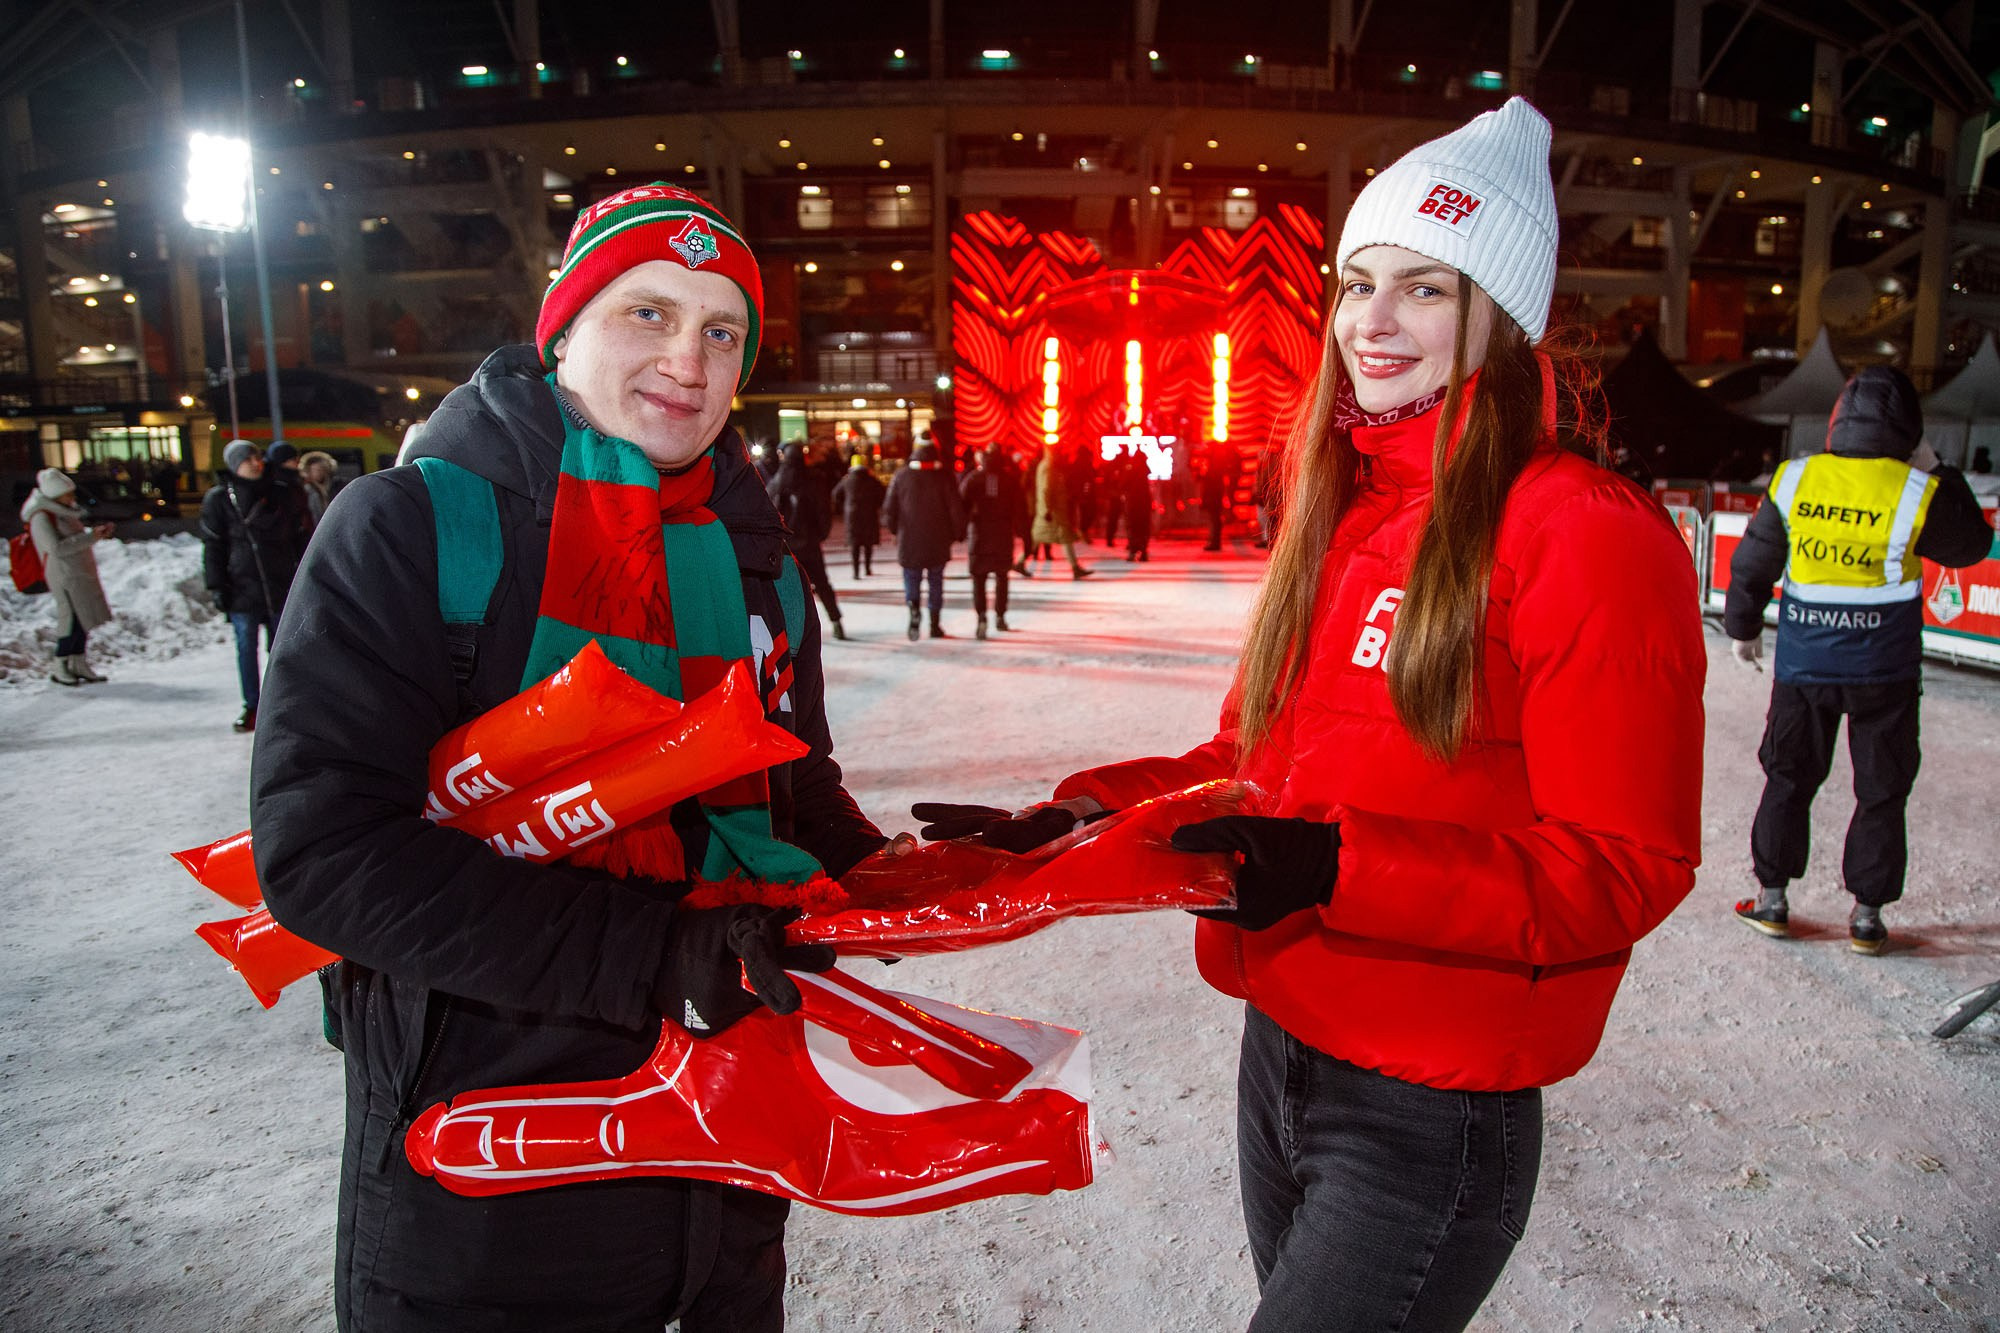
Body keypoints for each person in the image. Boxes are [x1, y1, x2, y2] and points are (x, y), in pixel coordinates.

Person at [914, 99, 1705, 1332]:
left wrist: (1336, 867)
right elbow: (1243, 765)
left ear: (1498, 317)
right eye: (1354, 283)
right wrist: (1072, 821)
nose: (1370, 323)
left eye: (1424, 289)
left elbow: (1620, 866)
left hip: (1428, 1100)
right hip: (1278, 1048)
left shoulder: (1583, 534)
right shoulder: (1341, 513)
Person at [249, 183, 885, 1332]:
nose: (687, 360)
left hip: (722, 1171)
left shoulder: (754, 561)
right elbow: (324, 852)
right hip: (490, 1186)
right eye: (646, 313)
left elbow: (795, 786)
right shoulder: (412, 526)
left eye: (719, 330)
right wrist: (650, 953)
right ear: (564, 328)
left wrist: (925, 872)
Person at [1724, 366, 1992, 953]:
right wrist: (1934, 464)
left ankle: (1772, 899)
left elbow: (1752, 564)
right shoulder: (1915, 490)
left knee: (1789, 779)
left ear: (1837, 423)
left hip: (1805, 668)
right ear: (1909, 432)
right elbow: (1972, 545)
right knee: (1882, 790)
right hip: (1884, 673)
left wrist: (1743, 629)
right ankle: (1867, 916)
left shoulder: (1798, 479)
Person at [200, 440, 302, 732]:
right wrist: (217, 585)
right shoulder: (219, 499)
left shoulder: (280, 493)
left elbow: (299, 536)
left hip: (279, 583)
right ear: (235, 465)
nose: (255, 463)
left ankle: (284, 704)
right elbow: (213, 545)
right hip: (241, 585)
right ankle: (253, 707)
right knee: (246, 647)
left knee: (283, 649)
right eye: (247, 459)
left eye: (257, 456)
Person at [20, 467, 115, 686]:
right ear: (54, 494)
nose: (72, 497)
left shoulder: (63, 512)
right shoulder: (41, 517)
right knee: (70, 620)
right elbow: (56, 549)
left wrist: (93, 535)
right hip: (63, 575)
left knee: (83, 619)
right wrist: (90, 538)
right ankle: (60, 664)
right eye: (68, 493)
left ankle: (78, 662)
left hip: (78, 573)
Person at [880, 438, 966, 640]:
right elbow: (955, 508)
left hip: (909, 538)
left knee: (912, 577)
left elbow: (889, 509)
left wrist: (895, 531)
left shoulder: (901, 476)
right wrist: (957, 533)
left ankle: (913, 608)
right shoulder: (944, 476)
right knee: (936, 581)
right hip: (938, 539)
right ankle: (935, 624)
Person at [767, 440, 845, 640]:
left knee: (787, 588)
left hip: (786, 546)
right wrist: (820, 535)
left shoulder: (777, 482)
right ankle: (836, 621)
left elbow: (769, 514)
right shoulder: (813, 482)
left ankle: (791, 632)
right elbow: (823, 513)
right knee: (822, 583)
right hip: (809, 544)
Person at [961, 444, 1027, 638]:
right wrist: (1025, 535)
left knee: (979, 579)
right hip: (1002, 535)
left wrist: (958, 531)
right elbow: (1020, 510)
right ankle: (1000, 616)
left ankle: (981, 617)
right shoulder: (1010, 480)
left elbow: (961, 505)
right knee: (1002, 578)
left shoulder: (973, 478)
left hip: (979, 536)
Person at [1030, 443, 1090, 579]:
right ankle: (1075, 568)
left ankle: (1075, 568)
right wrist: (1047, 510)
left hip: (1051, 511)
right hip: (1052, 512)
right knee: (1062, 537)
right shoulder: (1048, 467)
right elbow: (1046, 490)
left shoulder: (1047, 466)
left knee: (1040, 538)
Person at [830, 452, 884, 578]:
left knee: (855, 544)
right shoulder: (872, 480)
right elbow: (882, 494)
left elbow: (835, 494)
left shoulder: (847, 480)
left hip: (852, 515)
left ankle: (855, 572)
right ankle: (867, 568)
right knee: (867, 543)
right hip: (869, 515)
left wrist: (843, 506)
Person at [1197, 436, 1241, 551]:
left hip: (1214, 495)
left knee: (1214, 518)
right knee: (1214, 519)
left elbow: (1212, 480)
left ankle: (1215, 542)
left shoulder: (1215, 463)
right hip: (1214, 494)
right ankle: (1213, 541)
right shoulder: (1213, 461)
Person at [298, 450, 344, 529]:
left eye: (321, 469)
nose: (318, 473)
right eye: (314, 470)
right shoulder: (305, 490)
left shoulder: (339, 486)